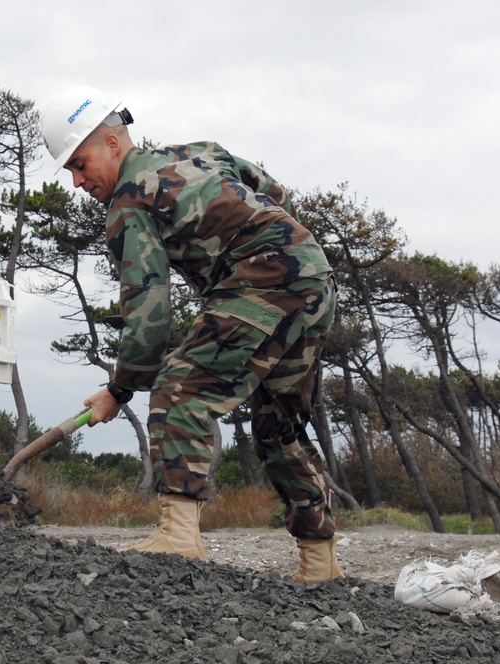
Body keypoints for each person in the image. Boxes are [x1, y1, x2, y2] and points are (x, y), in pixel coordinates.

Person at [39, 86, 342, 582]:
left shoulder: (128, 205)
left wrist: (120, 388)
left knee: (181, 389)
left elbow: (149, 314)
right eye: (70, 170)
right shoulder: (197, 153)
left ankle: (179, 537)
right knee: (277, 426)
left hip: (264, 277)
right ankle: (320, 561)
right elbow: (271, 189)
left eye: (79, 162)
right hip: (314, 278)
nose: (76, 181)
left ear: (112, 143)